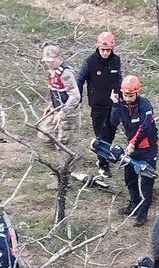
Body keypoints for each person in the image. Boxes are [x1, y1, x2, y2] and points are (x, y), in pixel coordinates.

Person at [110, 75, 158, 227]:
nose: (128, 98)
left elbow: (145, 127)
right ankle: (134, 204)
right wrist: (116, 105)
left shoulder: (145, 106)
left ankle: (143, 213)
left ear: (137, 93)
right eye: (125, 95)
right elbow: (113, 122)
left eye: (131, 95)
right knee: (129, 178)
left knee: (146, 182)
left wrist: (132, 143)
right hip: (132, 148)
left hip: (147, 149)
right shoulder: (122, 105)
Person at [77, 31, 122, 177]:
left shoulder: (116, 60)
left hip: (114, 104)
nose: (105, 53)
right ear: (98, 47)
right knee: (101, 137)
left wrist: (121, 97)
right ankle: (103, 164)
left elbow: (118, 78)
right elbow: (79, 80)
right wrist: (78, 98)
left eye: (108, 50)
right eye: (103, 50)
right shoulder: (89, 62)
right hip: (98, 106)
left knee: (110, 133)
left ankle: (105, 157)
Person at [39, 44, 81, 180]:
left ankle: (65, 177)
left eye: (51, 61)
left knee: (62, 145)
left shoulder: (66, 73)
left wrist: (63, 113)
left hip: (67, 113)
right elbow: (56, 91)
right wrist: (51, 105)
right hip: (55, 110)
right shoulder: (51, 72)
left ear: (59, 58)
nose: (48, 64)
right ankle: (68, 159)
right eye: (46, 61)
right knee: (44, 135)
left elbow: (75, 96)